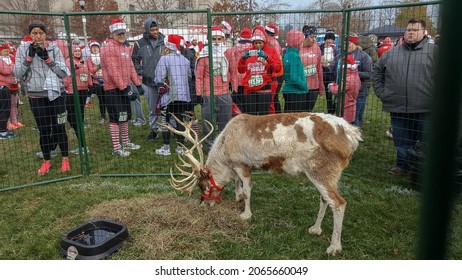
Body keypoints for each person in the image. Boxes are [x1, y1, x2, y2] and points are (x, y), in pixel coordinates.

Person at [372, 18, 437, 176]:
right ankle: (403, 166)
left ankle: (425, 170)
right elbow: (377, 73)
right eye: (408, 29)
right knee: (401, 140)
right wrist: (382, 93)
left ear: (424, 32)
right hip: (398, 106)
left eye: (415, 30)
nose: (411, 32)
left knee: (426, 141)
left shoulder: (435, 52)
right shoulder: (391, 54)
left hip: (425, 107)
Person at [14, 20, 71, 174]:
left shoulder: (54, 48)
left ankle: (65, 158)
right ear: (30, 34)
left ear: (45, 35)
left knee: (59, 127)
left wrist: (48, 59)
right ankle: (47, 160)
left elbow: (64, 73)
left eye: (41, 33)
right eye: (34, 33)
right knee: (44, 129)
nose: (38, 36)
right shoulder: (23, 49)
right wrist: (28, 59)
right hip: (36, 95)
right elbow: (17, 73)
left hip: (56, 93)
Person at [100, 19, 144, 157]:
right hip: (113, 88)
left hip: (125, 86)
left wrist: (137, 84)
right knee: (115, 117)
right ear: (112, 33)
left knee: (125, 115)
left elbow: (130, 67)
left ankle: (125, 141)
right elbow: (113, 71)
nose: (122, 36)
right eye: (119, 33)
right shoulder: (108, 48)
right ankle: (116, 147)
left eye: (123, 33)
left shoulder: (125, 47)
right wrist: (124, 88)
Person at [154, 34, 191, 156]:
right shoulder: (185, 60)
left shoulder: (164, 59)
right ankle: (180, 148)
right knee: (180, 120)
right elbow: (190, 76)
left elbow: (159, 77)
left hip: (169, 96)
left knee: (165, 121)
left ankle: (166, 147)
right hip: (183, 96)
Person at [196, 26, 232, 149]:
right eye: (214, 39)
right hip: (208, 93)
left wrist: (235, 86)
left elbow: (232, 70)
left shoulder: (227, 53)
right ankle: (209, 144)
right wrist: (198, 92)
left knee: (225, 120)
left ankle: (223, 145)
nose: (216, 42)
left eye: (219, 39)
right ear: (209, 40)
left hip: (224, 91)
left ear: (223, 39)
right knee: (208, 120)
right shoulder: (204, 55)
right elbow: (199, 76)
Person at [132, 17, 165, 141]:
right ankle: (154, 130)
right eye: (152, 30)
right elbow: (134, 59)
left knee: (166, 106)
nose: (155, 32)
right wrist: (142, 72)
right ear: (147, 30)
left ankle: (167, 129)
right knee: (153, 108)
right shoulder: (140, 43)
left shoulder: (164, 41)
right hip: (149, 81)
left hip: (163, 81)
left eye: (156, 29)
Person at [237, 26, 281, 115]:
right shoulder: (249, 51)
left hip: (264, 88)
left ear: (264, 41)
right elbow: (241, 70)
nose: (258, 45)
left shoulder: (271, 51)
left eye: (260, 43)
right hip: (250, 89)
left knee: (264, 115)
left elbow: (277, 68)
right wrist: (243, 59)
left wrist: (267, 58)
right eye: (256, 43)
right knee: (251, 115)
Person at [331, 33, 372, 127]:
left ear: (354, 43)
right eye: (344, 43)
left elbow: (370, 74)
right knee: (341, 120)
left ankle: (354, 137)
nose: (345, 46)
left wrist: (354, 75)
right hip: (341, 93)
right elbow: (332, 68)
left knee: (354, 120)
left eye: (348, 43)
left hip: (358, 94)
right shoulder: (340, 55)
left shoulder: (364, 56)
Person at [63, 45, 92, 154]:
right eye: (75, 51)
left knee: (78, 113)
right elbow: (68, 70)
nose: (77, 52)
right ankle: (81, 141)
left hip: (83, 90)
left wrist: (90, 84)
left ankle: (83, 144)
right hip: (72, 91)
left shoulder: (84, 61)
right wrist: (76, 66)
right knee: (72, 116)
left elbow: (88, 73)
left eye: (79, 51)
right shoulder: (68, 61)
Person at [224, 27, 252, 113]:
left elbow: (228, 66)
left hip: (236, 79)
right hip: (249, 79)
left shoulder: (233, 49)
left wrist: (229, 81)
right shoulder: (253, 49)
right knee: (248, 101)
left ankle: (239, 116)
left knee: (238, 101)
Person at [328, 54, 361, 124]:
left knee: (343, 127)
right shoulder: (356, 77)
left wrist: (330, 86)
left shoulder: (348, 80)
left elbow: (336, 91)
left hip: (345, 108)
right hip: (351, 106)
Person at [281, 29, 308, 112]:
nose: (302, 44)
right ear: (297, 42)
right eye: (301, 41)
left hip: (288, 91)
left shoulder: (287, 54)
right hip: (296, 92)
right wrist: (304, 86)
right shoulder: (295, 56)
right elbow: (294, 77)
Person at [300, 26, 324, 112]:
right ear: (305, 36)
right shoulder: (299, 48)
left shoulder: (316, 48)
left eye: (315, 37)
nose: (314, 39)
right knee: (301, 112)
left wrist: (321, 87)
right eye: (311, 37)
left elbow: (319, 69)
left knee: (308, 111)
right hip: (301, 86)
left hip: (314, 87)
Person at [86, 40, 107, 125]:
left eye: (96, 47)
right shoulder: (89, 59)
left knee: (109, 99)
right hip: (97, 82)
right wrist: (99, 66)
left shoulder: (103, 57)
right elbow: (91, 70)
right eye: (93, 48)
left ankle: (113, 115)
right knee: (101, 100)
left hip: (107, 81)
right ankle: (103, 116)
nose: (95, 49)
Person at [265, 24, 284, 114]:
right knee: (274, 97)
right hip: (279, 72)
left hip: (275, 73)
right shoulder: (275, 42)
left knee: (273, 97)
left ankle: (277, 114)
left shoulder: (271, 43)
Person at [320, 31, 339, 114]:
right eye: (328, 38)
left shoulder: (335, 49)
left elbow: (336, 61)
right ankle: (330, 110)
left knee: (333, 91)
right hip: (323, 73)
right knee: (328, 95)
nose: (330, 41)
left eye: (331, 39)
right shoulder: (320, 48)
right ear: (325, 39)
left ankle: (332, 110)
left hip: (332, 73)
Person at [0, 42, 16, 139]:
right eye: (4, 51)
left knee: (6, 108)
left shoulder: (7, 59)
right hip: (3, 86)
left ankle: (3, 128)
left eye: (7, 50)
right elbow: (6, 71)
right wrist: (12, 65)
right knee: (4, 108)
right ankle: (2, 131)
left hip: (7, 86)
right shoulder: (2, 61)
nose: (6, 52)